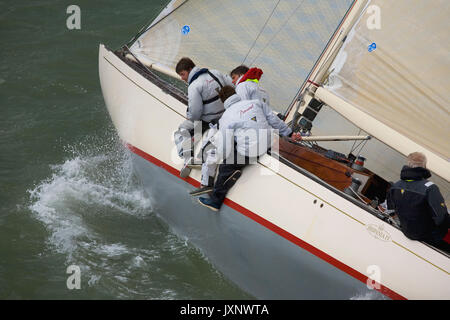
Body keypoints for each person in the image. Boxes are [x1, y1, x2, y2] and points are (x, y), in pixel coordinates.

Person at [197, 85, 302, 211]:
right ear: (235, 94)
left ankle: (215, 201)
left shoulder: (226, 117)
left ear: (223, 100)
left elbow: (225, 145)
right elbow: (273, 120)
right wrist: (289, 133)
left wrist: (225, 157)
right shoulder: (255, 103)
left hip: (251, 151)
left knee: (226, 167)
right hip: (269, 142)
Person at [173, 57, 232, 184]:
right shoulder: (215, 72)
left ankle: (187, 157)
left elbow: (195, 112)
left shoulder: (194, 86)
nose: (182, 78)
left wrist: (189, 116)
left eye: (183, 74)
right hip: (225, 116)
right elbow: (232, 85)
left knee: (182, 130)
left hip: (208, 121)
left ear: (190, 69)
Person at [387, 152, 450, 253]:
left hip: (404, 232)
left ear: (408, 165)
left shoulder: (395, 187)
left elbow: (391, 210)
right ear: (424, 166)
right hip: (429, 239)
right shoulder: (430, 188)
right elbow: (441, 219)